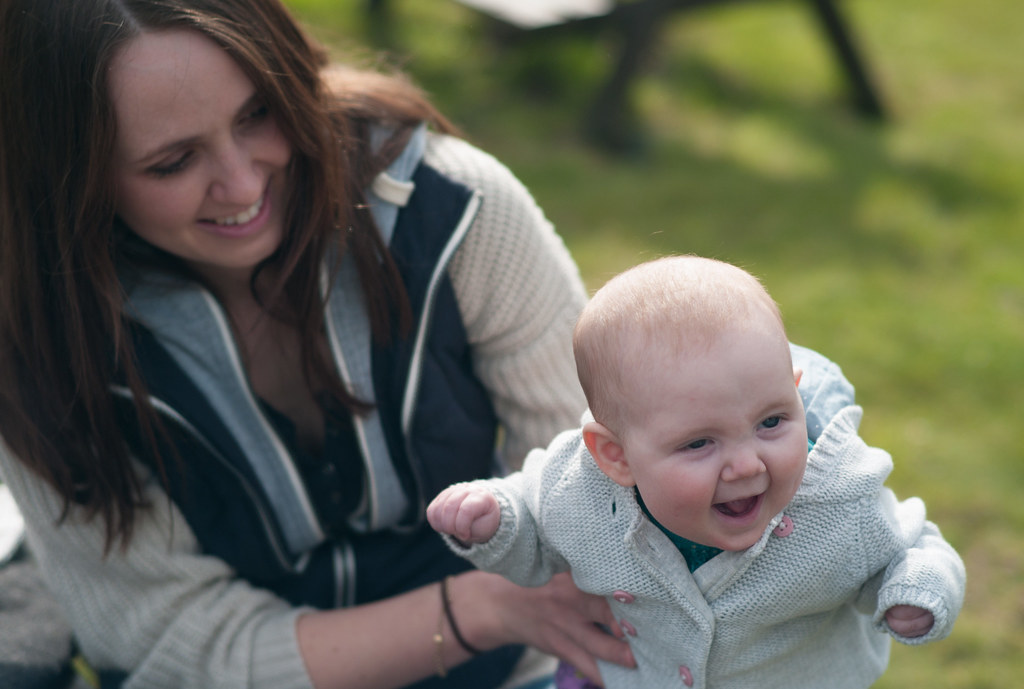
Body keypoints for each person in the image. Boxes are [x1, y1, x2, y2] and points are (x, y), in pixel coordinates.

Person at [0, 1, 641, 687]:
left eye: (256, 114)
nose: (243, 184)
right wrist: (478, 609)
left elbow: (604, 495)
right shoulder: (38, 342)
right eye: (173, 162)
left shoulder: (459, 213)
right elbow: (169, 644)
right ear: (69, 179)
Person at [427, 256, 966, 689]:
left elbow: (913, 548)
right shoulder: (578, 493)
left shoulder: (836, 500)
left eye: (772, 421)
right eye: (700, 443)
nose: (748, 463)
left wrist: (915, 591)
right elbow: (532, 529)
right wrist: (493, 520)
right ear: (615, 457)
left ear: (796, 391)